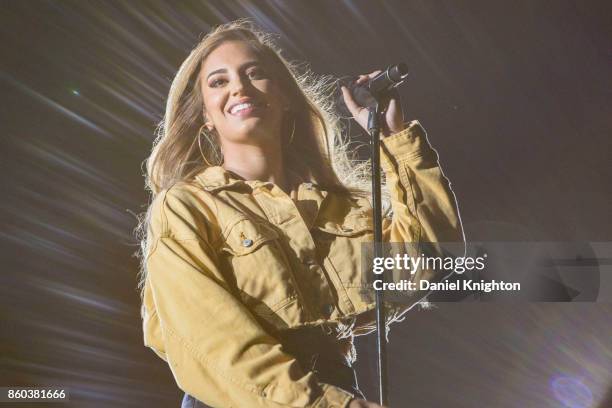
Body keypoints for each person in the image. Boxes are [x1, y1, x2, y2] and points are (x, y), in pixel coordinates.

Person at [136, 20, 463, 408]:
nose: (239, 87)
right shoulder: (186, 207)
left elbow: (429, 261)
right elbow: (213, 346)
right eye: (218, 82)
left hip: (335, 388)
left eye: (255, 73)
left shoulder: (341, 208)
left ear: (286, 97)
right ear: (205, 114)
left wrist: (394, 136)